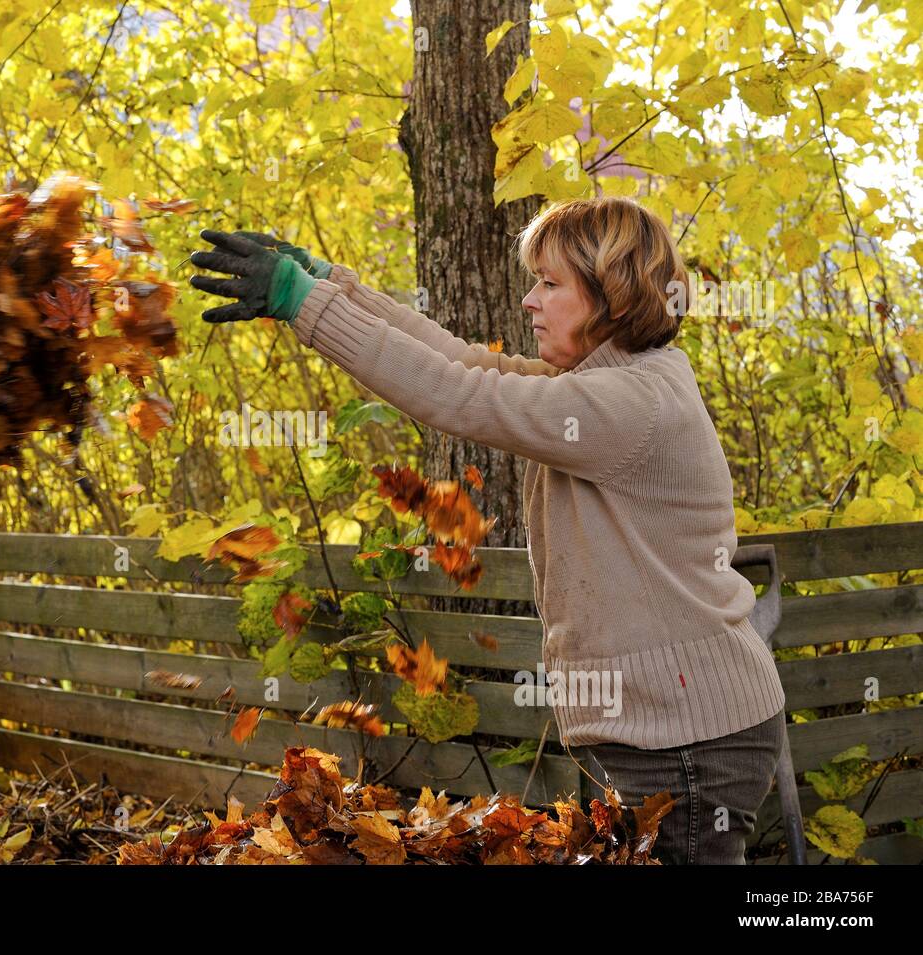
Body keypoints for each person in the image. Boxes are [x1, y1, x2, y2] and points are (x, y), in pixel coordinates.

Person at [188, 196, 787, 865]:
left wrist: (304, 304)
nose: (530, 300)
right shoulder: (609, 385)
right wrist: (330, 285)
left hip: (687, 741)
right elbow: (464, 363)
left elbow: (459, 395)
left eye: (551, 284)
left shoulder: (628, 404)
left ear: (613, 295)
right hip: (662, 728)